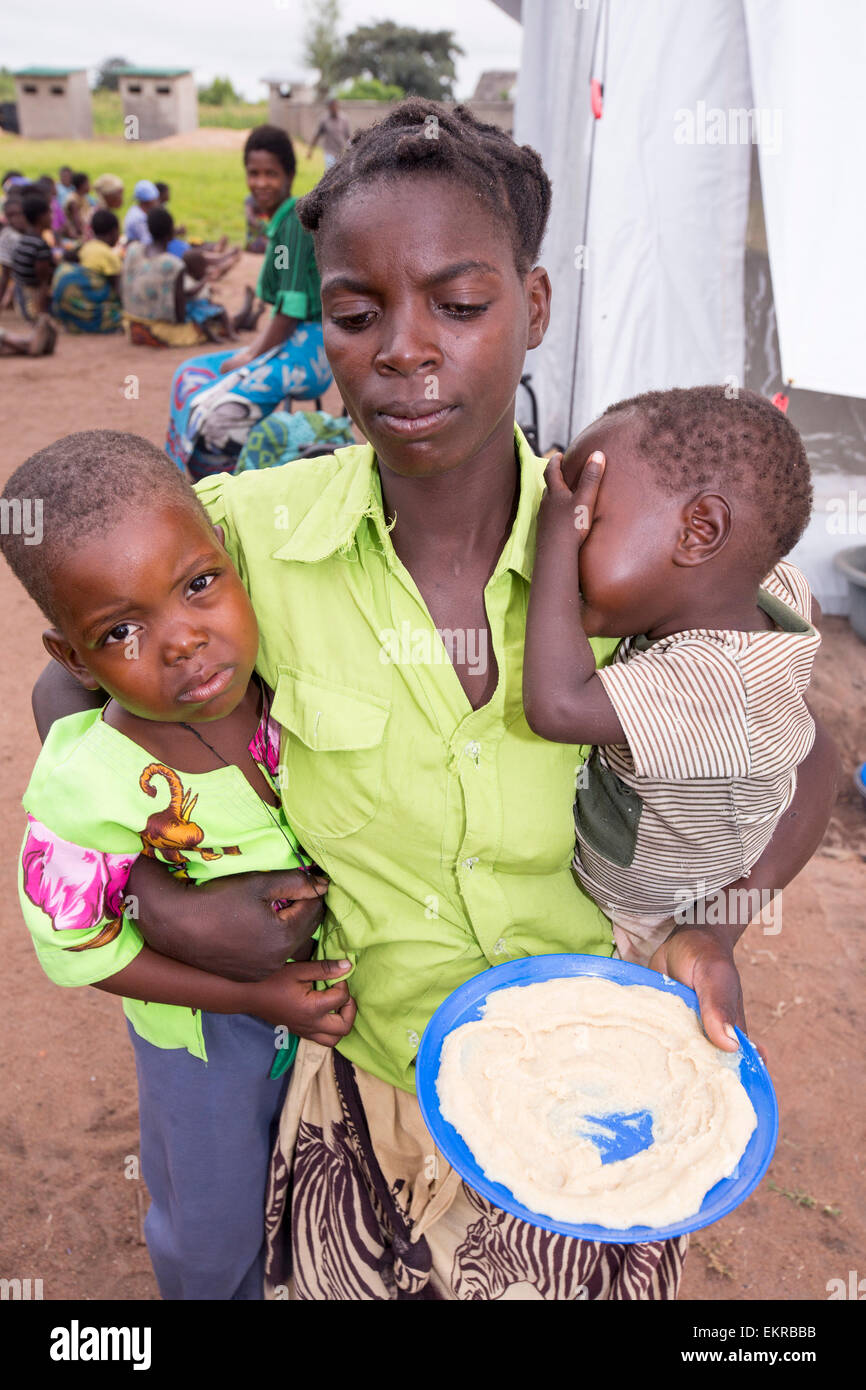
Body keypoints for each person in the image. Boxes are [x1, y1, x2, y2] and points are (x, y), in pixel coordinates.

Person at [34, 100, 838, 1301]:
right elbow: (73, 686)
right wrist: (162, 886)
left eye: (459, 306)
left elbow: (805, 747)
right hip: (364, 1082)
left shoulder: (642, 542)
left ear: (533, 307)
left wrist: (716, 922)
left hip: (596, 1087)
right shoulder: (252, 539)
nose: (404, 349)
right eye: (357, 313)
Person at [1, 431, 350, 1299]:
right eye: (121, 630)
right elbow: (83, 949)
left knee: (311, 1178)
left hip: (331, 1008)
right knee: (212, 1218)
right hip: (204, 1033)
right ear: (74, 661)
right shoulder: (91, 784)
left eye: (197, 586)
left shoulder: (295, 680)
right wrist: (251, 997)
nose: (184, 641)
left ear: (233, 562)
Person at [523, 387, 820, 966]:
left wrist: (555, 542)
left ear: (699, 532)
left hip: (642, 922)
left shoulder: (718, 682)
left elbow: (555, 705)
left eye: (589, 521)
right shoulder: (763, 592)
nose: (568, 535)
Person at [165, 125, 332, 479]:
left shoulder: (293, 225)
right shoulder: (281, 223)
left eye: (271, 173)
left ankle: (224, 487)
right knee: (187, 376)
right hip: (287, 346)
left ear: (288, 175)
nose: (261, 183)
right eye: (254, 173)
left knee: (217, 414)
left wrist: (249, 354)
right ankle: (190, 478)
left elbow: (289, 309)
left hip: (308, 355)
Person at [121, 207, 209, 348]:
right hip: (159, 331)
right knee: (210, 316)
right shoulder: (173, 265)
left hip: (131, 325)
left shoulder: (133, 250)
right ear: (171, 232)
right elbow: (180, 316)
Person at [50, 208, 123, 334]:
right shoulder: (109, 255)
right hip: (90, 300)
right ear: (114, 232)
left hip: (70, 301)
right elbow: (118, 288)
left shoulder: (86, 246)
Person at [10, 190, 55, 321]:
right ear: (41, 217)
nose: (52, 217)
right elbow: (43, 283)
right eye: (49, 213)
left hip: (22, 300)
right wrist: (41, 315)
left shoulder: (25, 240)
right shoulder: (40, 246)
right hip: (34, 303)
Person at [306, 97, 351, 170]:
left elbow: (348, 136)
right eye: (332, 107)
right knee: (330, 173)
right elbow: (317, 136)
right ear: (329, 108)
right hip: (329, 153)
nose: (334, 108)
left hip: (340, 152)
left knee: (340, 174)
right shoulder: (324, 120)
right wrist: (310, 151)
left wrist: (351, 148)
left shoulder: (344, 119)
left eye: (335, 106)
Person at [0, 189, 25, 308]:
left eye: (18, 214)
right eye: (10, 216)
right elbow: (6, 273)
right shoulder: (8, 236)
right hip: (20, 284)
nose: (15, 219)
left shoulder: (35, 231)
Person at [123, 179, 160, 246]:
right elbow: (148, 242)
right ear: (149, 200)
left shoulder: (135, 210)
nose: (157, 202)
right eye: (155, 199)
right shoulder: (139, 218)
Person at [63, 172, 92, 239]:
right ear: (81, 185)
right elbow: (77, 222)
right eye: (87, 183)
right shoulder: (73, 200)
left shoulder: (84, 197)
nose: (89, 186)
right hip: (76, 235)